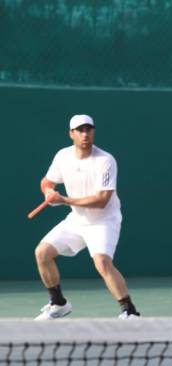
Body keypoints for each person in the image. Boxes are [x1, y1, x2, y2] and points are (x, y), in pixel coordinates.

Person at [34, 114, 140, 320]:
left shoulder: (105, 160)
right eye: (80, 130)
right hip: (77, 219)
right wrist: (48, 193)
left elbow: (102, 200)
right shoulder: (63, 156)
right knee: (42, 253)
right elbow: (46, 182)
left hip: (104, 221)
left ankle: (129, 311)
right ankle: (58, 303)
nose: (85, 134)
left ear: (93, 132)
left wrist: (63, 200)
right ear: (71, 134)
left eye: (88, 129)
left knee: (102, 262)